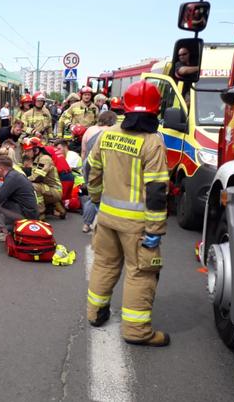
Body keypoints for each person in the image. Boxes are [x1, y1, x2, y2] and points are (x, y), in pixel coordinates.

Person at [86, 80, 170, 347]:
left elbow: (91, 171)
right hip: (137, 226)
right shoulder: (152, 142)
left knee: (104, 264)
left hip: (107, 218)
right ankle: (136, 331)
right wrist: (155, 231)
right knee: (141, 273)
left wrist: (97, 200)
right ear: (156, 111)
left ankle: (95, 314)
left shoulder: (107, 134)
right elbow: (156, 191)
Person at [80, 111, 118, 233]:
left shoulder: (90, 130)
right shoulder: (112, 131)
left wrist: (83, 169)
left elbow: (83, 151)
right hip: (103, 165)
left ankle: (86, 224)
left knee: (92, 194)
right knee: (107, 193)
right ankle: (106, 224)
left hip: (88, 164)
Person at [0, 157, 38, 242]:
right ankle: (8, 227)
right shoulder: (14, 175)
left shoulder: (11, 177)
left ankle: (2, 233)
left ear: (1, 168)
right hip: (29, 212)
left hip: (25, 214)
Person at [23, 137, 65, 219]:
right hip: (49, 188)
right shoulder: (37, 159)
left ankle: (41, 215)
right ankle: (59, 210)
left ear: (36, 150)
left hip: (55, 190)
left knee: (33, 186)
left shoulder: (44, 159)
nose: (26, 153)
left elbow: (38, 177)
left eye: (28, 151)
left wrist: (24, 180)